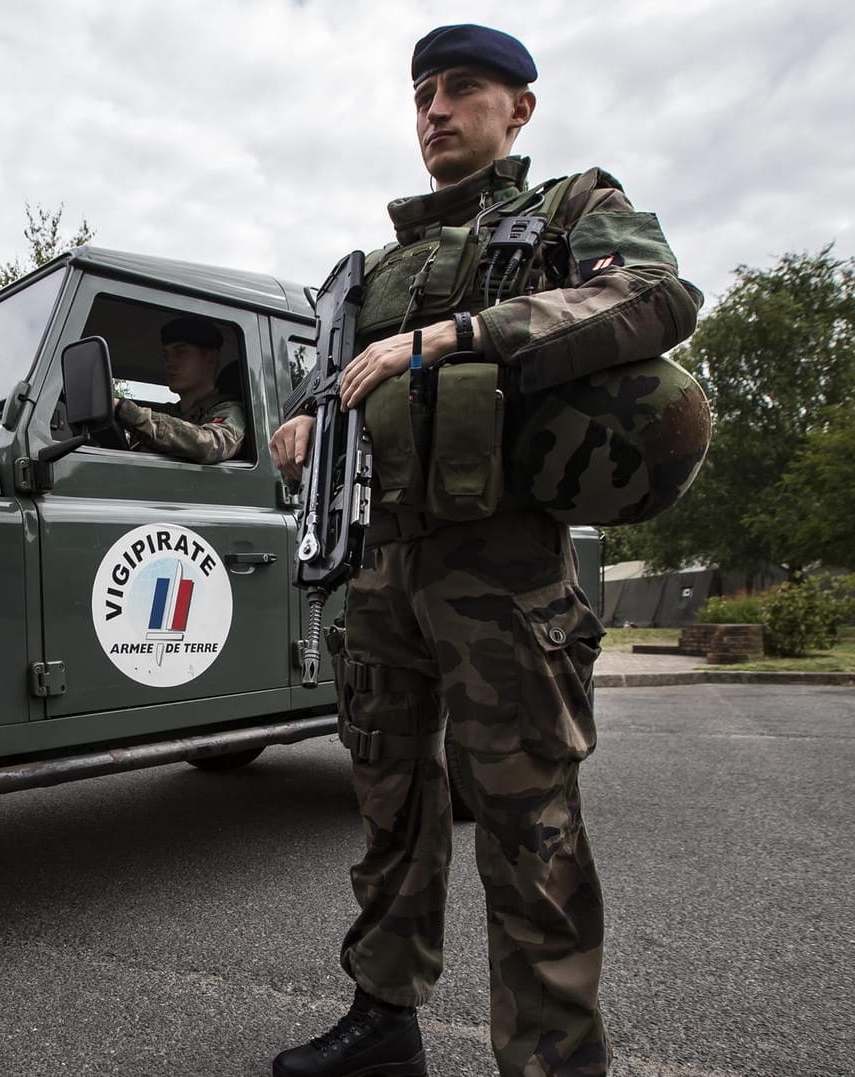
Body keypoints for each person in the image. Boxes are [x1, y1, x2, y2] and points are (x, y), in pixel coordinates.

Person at [268, 24, 702, 1077]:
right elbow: (329, 393)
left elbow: (654, 297)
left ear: (519, 109)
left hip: (504, 568)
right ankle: (383, 1020)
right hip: (381, 565)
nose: (435, 109)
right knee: (388, 808)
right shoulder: (367, 272)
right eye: (421, 93)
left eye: (463, 88)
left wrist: (459, 335)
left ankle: (552, 1062)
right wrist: (302, 424)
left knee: (528, 830)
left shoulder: (567, 209)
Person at [113, 316, 246, 463]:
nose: (170, 362)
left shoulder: (230, 411)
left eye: (180, 352)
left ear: (210, 359)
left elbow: (211, 445)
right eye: (166, 355)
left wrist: (126, 411)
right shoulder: (169, 413)